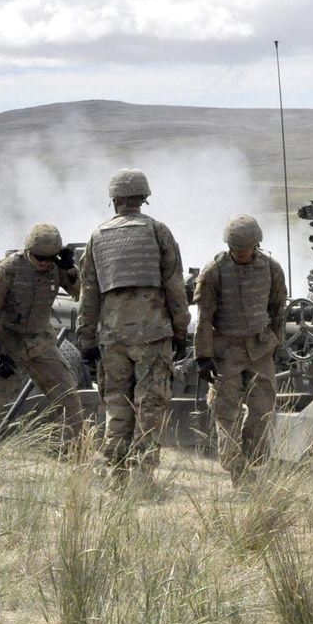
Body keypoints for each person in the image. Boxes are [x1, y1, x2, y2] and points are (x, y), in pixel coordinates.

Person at [77, 168, 190, 484]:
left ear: (114, 199)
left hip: (112, 337)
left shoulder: (97, 237)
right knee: (150, 406)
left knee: (116, 405)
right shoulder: (158, 232)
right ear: (144, 198)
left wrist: (86, 339)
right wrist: (180, 331)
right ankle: (141, 477)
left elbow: (88, 295)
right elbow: (175, 288)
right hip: (153, 335)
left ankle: (116, 474)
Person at [0, 222, 85, 457]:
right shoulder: (6, 270)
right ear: (28, 251)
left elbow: (81, 293)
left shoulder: (56, 268)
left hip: (40, 342)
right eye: (40, 257)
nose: (44, 263)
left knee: (68, 395)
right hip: (8, 344)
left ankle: (76, 455)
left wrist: (70, 269)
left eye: (51, 257)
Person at [193, 214, 287, 484]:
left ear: (257, 245)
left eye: (247, 248)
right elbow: (204, 318)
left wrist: (276, 344)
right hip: (226, 354)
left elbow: (278, 308)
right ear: (229, 246)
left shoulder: (271, 269)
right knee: (226, 414)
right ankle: (237, 469)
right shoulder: (213, 272)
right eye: (237, 249)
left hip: (260, 351)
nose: (242, 253)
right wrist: (203, 357)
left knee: (263, 411)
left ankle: (253, 458)